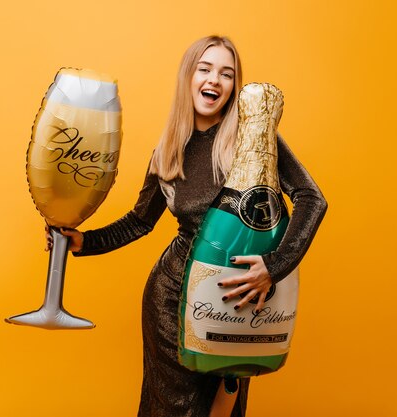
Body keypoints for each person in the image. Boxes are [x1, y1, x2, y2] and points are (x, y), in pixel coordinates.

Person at [45, 35, 327, 417]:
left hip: (234, 297)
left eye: (227, 74)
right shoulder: (168, 150)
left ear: (233, 86)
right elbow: (139, 222)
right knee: (172, 409)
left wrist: (274, 267)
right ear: (188, 77)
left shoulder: (253, 138)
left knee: (223, 406)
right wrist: (84, 242)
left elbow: (312, 198)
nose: (215, 80)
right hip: (171, 298)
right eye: (205, 69)